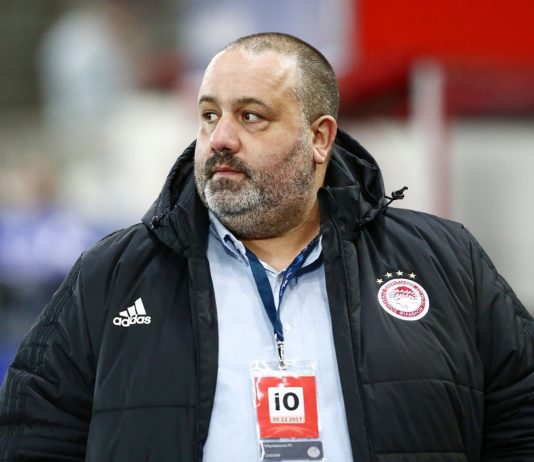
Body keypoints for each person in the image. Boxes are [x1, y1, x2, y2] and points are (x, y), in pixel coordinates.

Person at [1, 32, 533, 462]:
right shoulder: (112, 276)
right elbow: (34, 434)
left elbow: (521, 416)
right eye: (210, 115)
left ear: (319, 138)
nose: (220, 139)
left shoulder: (444, 260)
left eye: (250, 116)